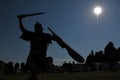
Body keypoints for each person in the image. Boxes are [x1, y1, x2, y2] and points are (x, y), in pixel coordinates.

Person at [17, 15, 54, 80]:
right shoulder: (32, 35)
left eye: (40, 28)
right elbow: (23, 29)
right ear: (35, 29)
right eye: (37, 28)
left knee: (49, 60)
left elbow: (55, 39)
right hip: (32, 57)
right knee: (34, 75)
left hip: (42, 58)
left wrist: (58, 39)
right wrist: (20, 20)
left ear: (42, 29)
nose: (39, 30)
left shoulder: (46, 36)